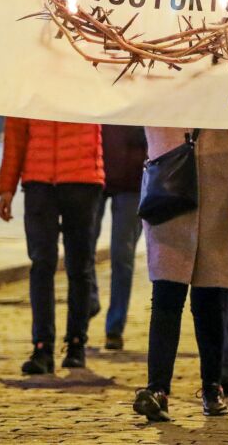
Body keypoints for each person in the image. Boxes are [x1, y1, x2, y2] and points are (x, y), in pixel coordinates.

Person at [132, 128, 228, 422]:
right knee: (165, 302)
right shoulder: (160, 85)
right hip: (169, 207)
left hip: (218, 215)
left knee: (210, 308)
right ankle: (157, 390)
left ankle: (211, 387)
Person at [0, 118, 104, 374]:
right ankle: (42, 346)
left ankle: (76, 343)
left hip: (82, 178)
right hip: (39, 181)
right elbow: (16, 132)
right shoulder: (31, 81)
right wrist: (6, 188)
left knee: (79, 265)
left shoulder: (91, 77)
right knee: (42, 263)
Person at [89, 125, 146, 351]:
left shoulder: (144, 92)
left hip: (133, 181)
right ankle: (89, 300)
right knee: (83, 246)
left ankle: (115, 326)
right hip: (94, 174)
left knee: (122, 254)